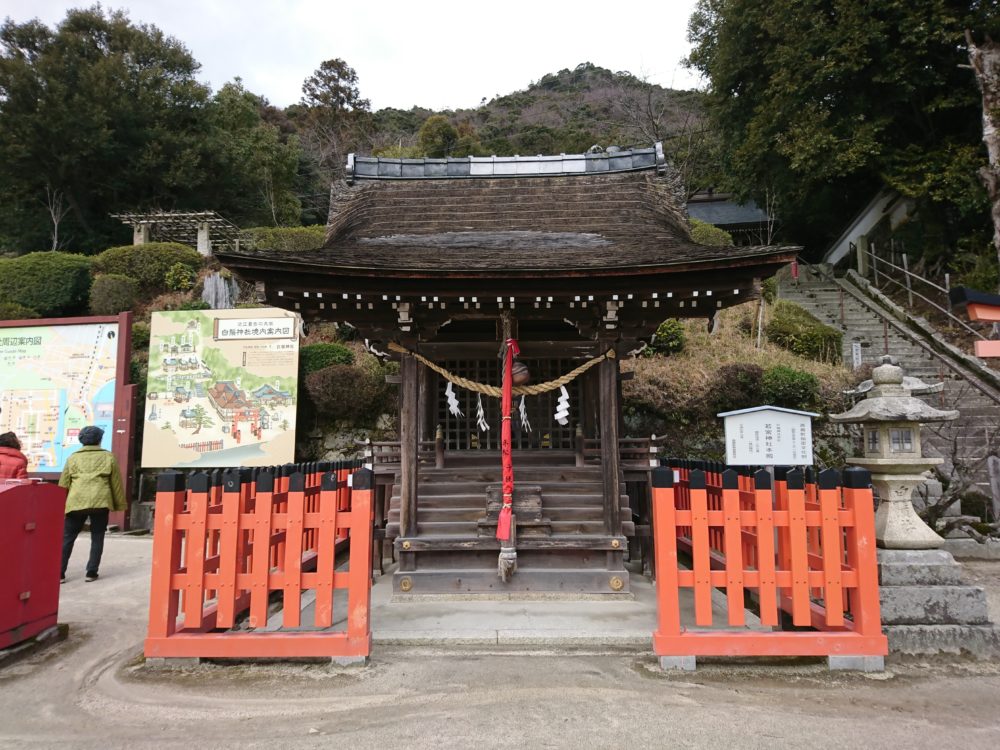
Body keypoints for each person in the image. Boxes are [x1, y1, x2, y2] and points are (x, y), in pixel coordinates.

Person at [59, 426, 125, 583]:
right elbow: (115, 483)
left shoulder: (72, 458)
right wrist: (118, 504)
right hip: (100, 501)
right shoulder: (108, 457)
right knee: (97, 536)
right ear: (99, 440)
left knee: (68, 537)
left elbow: (63, 484)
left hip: (76, 501)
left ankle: (59, 573)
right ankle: (91, 572)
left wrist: (61, 506)